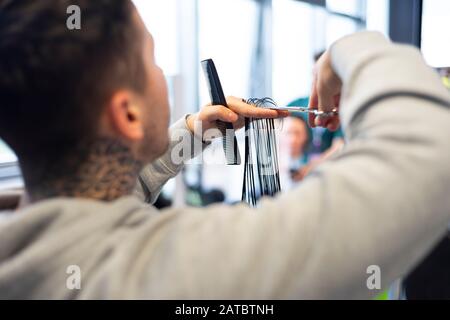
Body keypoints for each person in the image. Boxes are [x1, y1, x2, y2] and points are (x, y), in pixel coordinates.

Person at [0, 0, 449, 299]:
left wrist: (193, 133)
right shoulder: (183, 270)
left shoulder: (34, 254)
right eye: (153, 60)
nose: (163, 75)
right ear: (128, 115)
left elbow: (101, 195)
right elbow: (431, 148)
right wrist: (350, 49)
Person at [288, 51, 345, 181]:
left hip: (327, 175)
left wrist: (312, 167)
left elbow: (338, 147)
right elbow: (279, 129)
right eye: (315, 74)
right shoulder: (298, 105)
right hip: (297, 174)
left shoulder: (341, 109)